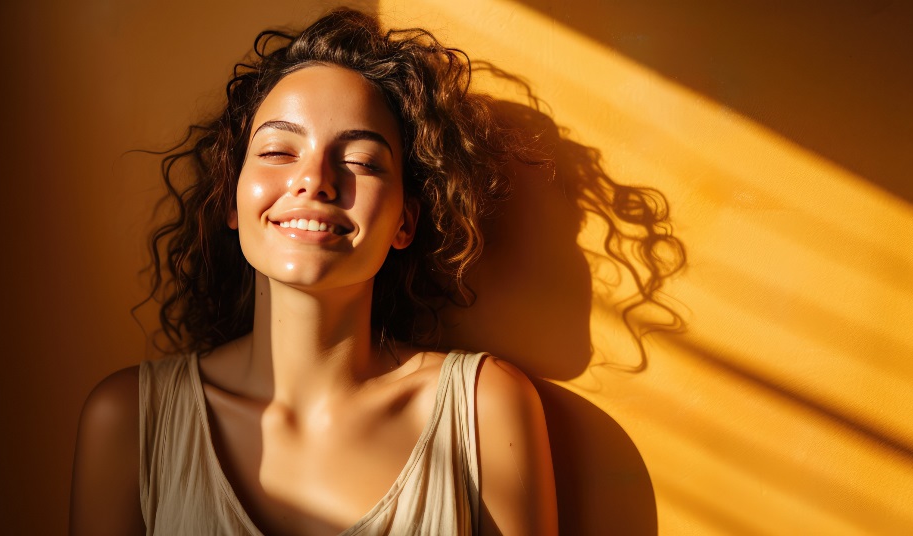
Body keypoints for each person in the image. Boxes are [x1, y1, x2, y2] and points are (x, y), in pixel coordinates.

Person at [70, 8, 557, 535]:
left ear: (405, 221)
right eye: (279, 151)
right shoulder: (129, 421)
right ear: (231, 200)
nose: (315, 180)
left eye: (362, 162)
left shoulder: (484, 410)